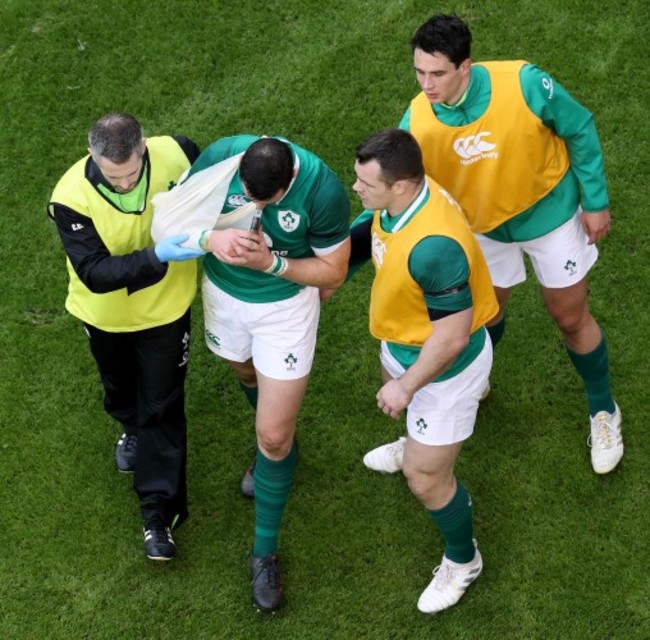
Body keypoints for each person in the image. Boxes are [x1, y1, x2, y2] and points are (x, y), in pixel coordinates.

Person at [391, 13, 622, 474]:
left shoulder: (524, 83)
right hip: (482, 229)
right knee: (483, 315)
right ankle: (472, 388)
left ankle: (604, 410)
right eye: (419, 72)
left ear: (466, 66)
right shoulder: (418, 118)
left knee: (569, 316)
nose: (427, 84)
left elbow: (578, 127)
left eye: (437, 73)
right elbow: (399, 184)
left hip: (550, 215)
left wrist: (595, 200)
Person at [186, 134, 350, 611]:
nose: (257, 209)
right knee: (243, 372)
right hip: (224, 298)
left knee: (273, 437)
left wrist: (271, 263)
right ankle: (278, 449)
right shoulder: (221, 159)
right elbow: (175, 220)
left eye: (267, 203)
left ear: (288, 182)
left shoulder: (323, 190)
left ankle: (264, 551)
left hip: (282, 310)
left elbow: (334, 271)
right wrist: (210, 238)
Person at [346, 129, 497, 613]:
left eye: (365, 183)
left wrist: (407, 387)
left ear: (402, 185)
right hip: (403, 344)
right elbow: (373, 228)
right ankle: (417, 438)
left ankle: (463, 560)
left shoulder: (434, 245)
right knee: (415, 439)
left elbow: (452, 337)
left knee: (426, 479)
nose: (357, 190)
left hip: (442, 374)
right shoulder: (402, 202)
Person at [48, 113, 203, 561]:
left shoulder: (178, 152)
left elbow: (217, 181)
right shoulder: (70, 198)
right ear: (92, 156)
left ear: (144, 149)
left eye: (132, 173)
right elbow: (95, 273)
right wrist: (157, 255)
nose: (123, 183)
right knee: (120, 390)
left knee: (162, 408)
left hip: (166, 314)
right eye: (113, 177)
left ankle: (158, 515)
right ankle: (129, 427)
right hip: (104, 317)